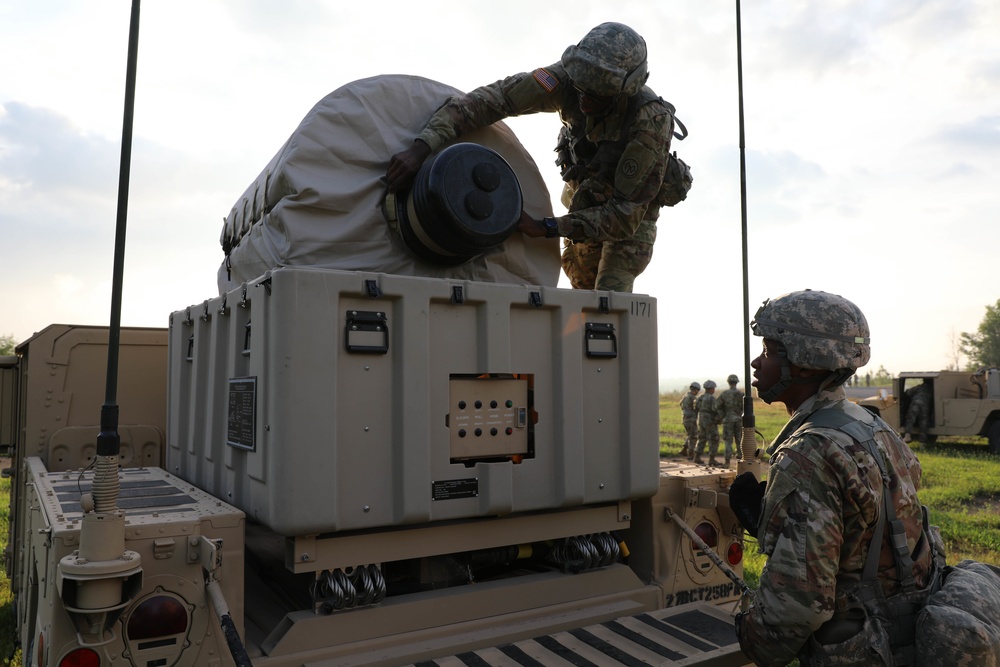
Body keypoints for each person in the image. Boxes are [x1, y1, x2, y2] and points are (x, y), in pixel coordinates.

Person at [729, 289, 943, 666]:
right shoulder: (870, 424)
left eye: (768, 351)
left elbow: (798, 606)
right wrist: (769, 521)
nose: (755, 363)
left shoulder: (810, 452)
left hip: (866, 646)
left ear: (807, 364)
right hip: (908, 628)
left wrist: (750, 636)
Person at [385, 22, 681, 292]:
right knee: (581, 284)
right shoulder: (568, 78)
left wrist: (549, 227)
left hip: (629, 214)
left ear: (623, 91)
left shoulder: (649, 121)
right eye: (580, 89)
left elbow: (624, 217)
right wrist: (423, 146)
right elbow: (495, 100)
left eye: (596, 96)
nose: (583, 100)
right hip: (586, 199)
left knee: (610, 295)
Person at [716, 373, 744, 466]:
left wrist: (723, 415)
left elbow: (717, 406)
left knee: (728, 441)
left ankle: (727, 462)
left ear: (728, 382)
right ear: (736, 382)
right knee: (739, 440)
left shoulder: (724, 394)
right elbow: (746, 407)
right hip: (739, 420)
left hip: (727, 420)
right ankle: (741, 461)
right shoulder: (741, 394)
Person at [694, 379, 721, 465]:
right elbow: (715, 409)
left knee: (702, 437)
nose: (714, 390)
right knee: (713, 438)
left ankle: (697, 456)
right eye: (713, 388)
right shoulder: (712, 398)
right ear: (710, 389)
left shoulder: (700, 397)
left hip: (700, 418)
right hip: (710, 420)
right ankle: (712, 459)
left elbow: (695, 407)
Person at [901, 379, 932, 443]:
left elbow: (908, 393)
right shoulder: (931, 389)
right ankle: (923, 441)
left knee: (910, 419)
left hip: (915, 404)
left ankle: (907, 436)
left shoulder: (919, 387)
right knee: (923, 423)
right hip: (925, 406)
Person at [679, 381, 700, 458]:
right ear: (695, 390)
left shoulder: (685, 396)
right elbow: (697, 407)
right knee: (693, 436)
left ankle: (684, 449)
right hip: (691, 419)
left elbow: (680, 405)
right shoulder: (693, 398)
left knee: (690, 434)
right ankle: (691, 453)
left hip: (684, 418)